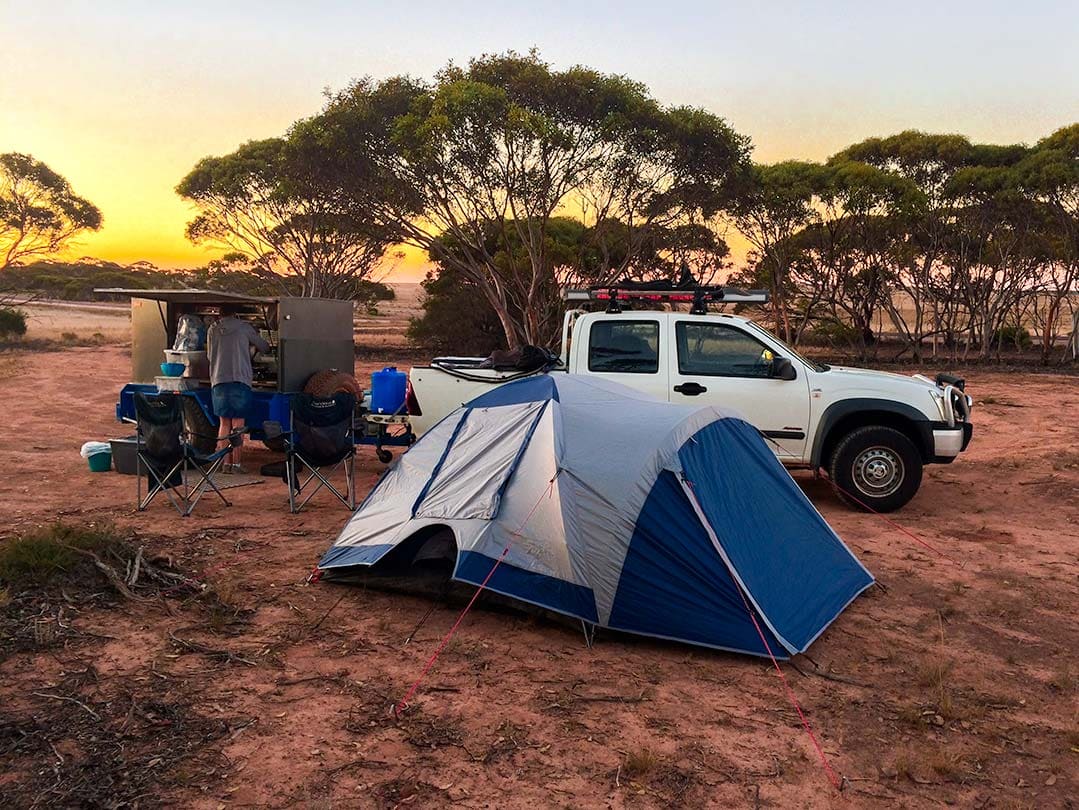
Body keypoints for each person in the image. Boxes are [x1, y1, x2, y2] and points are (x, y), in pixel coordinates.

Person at [206, 304, 270, 473]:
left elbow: (209, 354)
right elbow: (265, 346)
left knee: (224, 422)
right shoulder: (244, 328)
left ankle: (225, 463)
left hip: (218, 380)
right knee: (238, 423)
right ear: (235, 314)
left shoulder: (213, 330)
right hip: (240, 379)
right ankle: (237, 464)